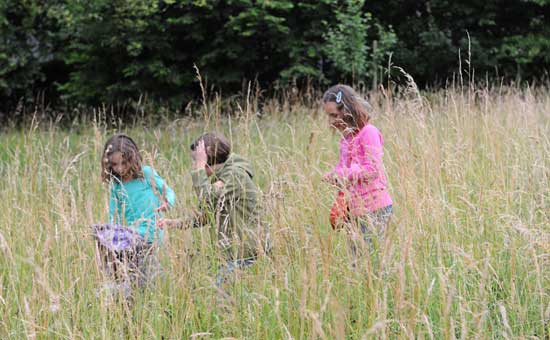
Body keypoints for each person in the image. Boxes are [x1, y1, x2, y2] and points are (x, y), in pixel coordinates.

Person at [159, 132, 269, 287]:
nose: (194, 164)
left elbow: (207, 196)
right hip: (232, 253)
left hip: (245, 252)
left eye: (195, 160)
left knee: (223, 299)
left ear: (207, 157)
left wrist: (198, 169)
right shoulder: (222, 177)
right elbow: (207, 215)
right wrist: (175, 223)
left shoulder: (235, 174)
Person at [97, 133, 176, 297]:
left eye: (124, 163)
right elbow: (115, 215)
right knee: (132, 273)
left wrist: (167, 202)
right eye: (114, 165)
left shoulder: (146, 174)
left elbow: (168, 190)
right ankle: (121, 293)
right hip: (133, 234)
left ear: (132, 158)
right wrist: (111, 235)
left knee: (150, 274)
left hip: (153, 232)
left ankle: (145, 296)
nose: (120, 168)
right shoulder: (116, 185)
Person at [322, 84, 393, 256]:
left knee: (370, 261)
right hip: (354, 209)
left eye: (334, 115)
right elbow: (343, 167)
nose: (331, 121)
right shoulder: (346, 139)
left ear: (347, 110)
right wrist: (333, 175)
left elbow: (372, 170)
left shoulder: (369, 132)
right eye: (328, 116)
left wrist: (342, 174)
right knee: (357, 262)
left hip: (375, 208)